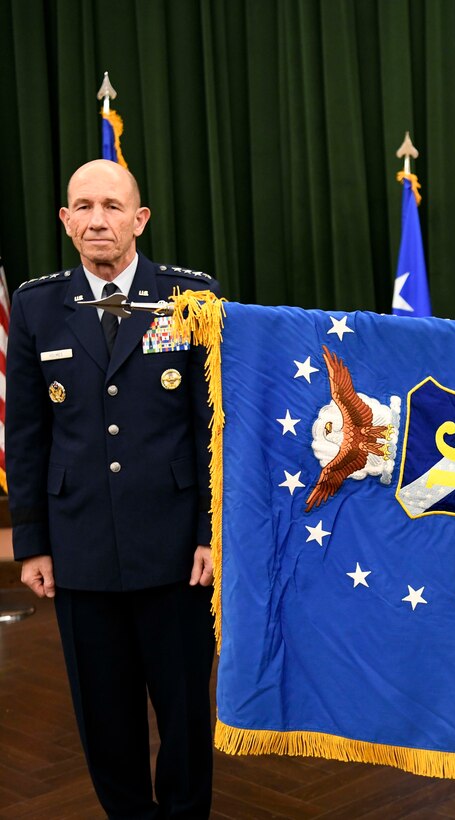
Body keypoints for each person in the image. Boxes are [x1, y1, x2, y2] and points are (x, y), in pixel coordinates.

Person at [8, 159, 221, 818]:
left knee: (185, 712)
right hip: (80, 547)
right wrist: (33, 543)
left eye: (111, 205)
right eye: (83, 206)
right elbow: (26, 434)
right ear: (66, 220)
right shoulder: (37, 304)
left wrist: (211, 536)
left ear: (139, 218)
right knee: (103, 716)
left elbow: (212, 425)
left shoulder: (191, 297)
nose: (97, 219)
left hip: (175, 549)